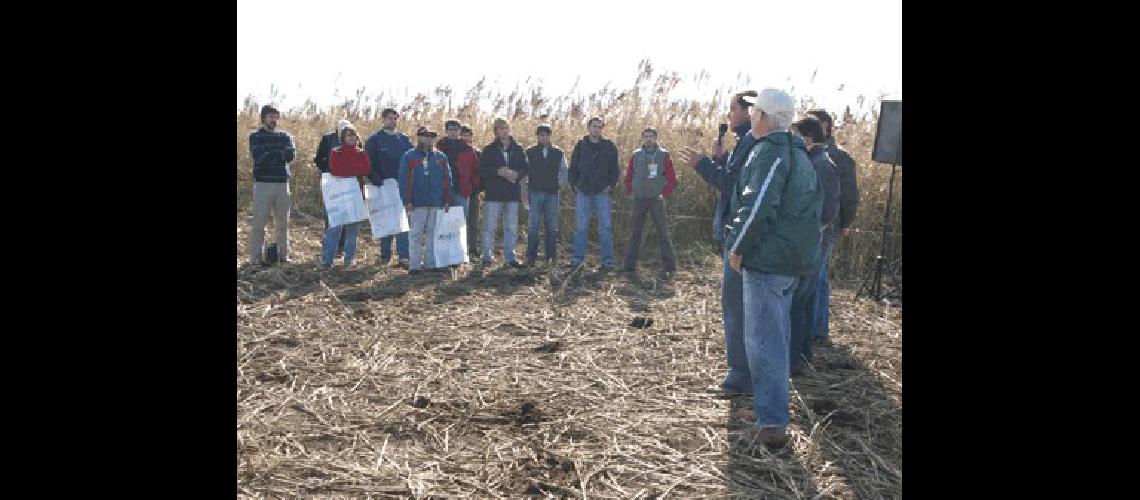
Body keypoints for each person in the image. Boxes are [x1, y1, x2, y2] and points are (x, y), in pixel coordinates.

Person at [725, 89, 820, 446]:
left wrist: (738, 248)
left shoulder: (771, 153)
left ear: (763, 117)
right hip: (790, 262)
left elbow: (759, 205)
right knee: (776, 338)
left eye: (755, 113)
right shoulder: (799, 153)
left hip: (767, 262)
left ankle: (772, 422)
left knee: (763, 342)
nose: (751, 118)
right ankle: (772, 413)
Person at [677, 90, 757, 396]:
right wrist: (720, 161)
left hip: (737, 233)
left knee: (735, 305)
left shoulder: (751, 141)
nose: (728, 115)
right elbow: (732, 178)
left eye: (732, 110)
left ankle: (740, 374)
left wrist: (702, 164)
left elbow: (731, 184)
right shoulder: (745, 142)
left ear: (749, 112)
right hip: (735, 230)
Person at [787, 115, 840, 374]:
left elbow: (828, 210)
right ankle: (801, 355)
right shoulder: (814, 160)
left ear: (807, 137)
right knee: (802, 301)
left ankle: (796, 359)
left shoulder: (821, 164)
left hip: (813, 242)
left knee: (800, 301)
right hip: (810, 240)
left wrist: (807, 231)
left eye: (796, 134)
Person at [805, 109, 860, 342]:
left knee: (817, 276)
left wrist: (846, 222)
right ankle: (815, 328)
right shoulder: (810, 153)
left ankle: (817, 329)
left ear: (826, 126)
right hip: (816, 224)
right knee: (817, 275)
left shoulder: (839, 157)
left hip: (828, 224)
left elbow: (850, 195)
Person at [621, 126, 677, 277]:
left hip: (656, 199)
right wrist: (629, 191)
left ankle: (669, 266)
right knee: (635, 233)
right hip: (639, 199)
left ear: (656, 138)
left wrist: (664, 194)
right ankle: (629, 267)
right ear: (642, 138)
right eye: (646, 136)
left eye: (651, 136)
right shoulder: (636, 155)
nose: (648, 139)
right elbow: (629, 175)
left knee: (663, 233)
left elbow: (672, 179)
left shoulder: (664, 155)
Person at [567, 116, 620, 271]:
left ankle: (607, 260)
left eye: (599, 127)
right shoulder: (581, 145)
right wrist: (575, 185)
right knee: (581, 227)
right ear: (588, 128)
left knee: (605, 227)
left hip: (602, 193)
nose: (596, 129)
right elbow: (573, 168)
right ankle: (577, 259)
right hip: (583, 192)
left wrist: (610, 186)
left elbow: (615, 169)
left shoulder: (609, 146)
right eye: (594, 126)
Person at [398, 126, 453, 274]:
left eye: (432, 136)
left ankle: (431, 263)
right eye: (425, 135)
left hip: (436, 201)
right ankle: (414, 265)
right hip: (417, 202)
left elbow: (448, 179)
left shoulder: (441, 157)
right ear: (419, 137)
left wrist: (447, 199)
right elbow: (403, 181)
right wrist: (407, 201)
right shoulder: (409, 156)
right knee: (415, 233)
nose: (429, 138)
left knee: (433, 233)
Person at [365, 108, 414, 268]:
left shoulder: (404, 139)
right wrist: (377, 180)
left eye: (395, 118)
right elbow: (368, 163)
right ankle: (385, 255)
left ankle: (403, 256)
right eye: (390, 118)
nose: (393, 121)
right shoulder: (374, 139)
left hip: (402, 186)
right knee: (386, 220)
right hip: (383, 186)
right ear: (383, 120)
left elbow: (412, 161)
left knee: (402, 221)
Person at [248, 104, 296, 266]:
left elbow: (290, 155)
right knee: (259, 224)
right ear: (263, 118)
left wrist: (271, 153)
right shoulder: (255, 136)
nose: (274, 120)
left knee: (282, 223)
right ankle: (255, 260)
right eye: (271, 117)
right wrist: (279, 154)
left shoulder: (285, 136)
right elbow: (259, 156)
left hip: (282, 184)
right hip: (263, 185)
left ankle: (283, 256)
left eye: (276, 117)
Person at [477, 118, 529, 268]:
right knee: (489, 227)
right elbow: (481, 170)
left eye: (506, 128)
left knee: (511, 227)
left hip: (512, 194)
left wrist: (516, 174)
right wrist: (497, 171)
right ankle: (486, 257)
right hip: (494, 194)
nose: (504, 131)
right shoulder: (488, 149)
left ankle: (510, 258)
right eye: (500, 128)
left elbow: (525, 168)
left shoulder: (518, 148)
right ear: (496, 131)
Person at [320, 122, 371, 269]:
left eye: (354, 134)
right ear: (343, 137)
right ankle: (327, 261)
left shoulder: (362, 152)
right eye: (348, 135)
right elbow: (336, 170)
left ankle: (349, 260)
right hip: (339, 195)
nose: (351, 137)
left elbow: (366, 168)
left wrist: (349, 169)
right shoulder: (336, 152)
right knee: (334, 228)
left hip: (357, 195)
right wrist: (355, 169)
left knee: (352, 230)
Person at [523, 124, 567, 267]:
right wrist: (524, 191)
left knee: (552, 227)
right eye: (541, 135)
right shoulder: (530, 152)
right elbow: (524, 173)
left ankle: (550, 258)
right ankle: (531, 257)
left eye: (546, 135)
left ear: (550, 136)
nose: (544, 137)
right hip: (535, 193)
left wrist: (558, 184)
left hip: (552, 194)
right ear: (537, 136)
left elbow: (565, 171)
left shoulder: (558, 152)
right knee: (533, 227)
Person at [313, 119, 351, 256]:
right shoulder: (328, 139)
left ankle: (341, 247)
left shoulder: (354, 137)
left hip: (348, 182)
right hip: (331, 181)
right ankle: (330, 246)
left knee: (346, 215)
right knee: (331, 214)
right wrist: (328, 172)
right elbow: (318, 159)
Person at [437, 119, 480, 224]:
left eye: (456, 129)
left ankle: (460, 241)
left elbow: (476, 169)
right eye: (450, 129)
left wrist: (472, 185)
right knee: (441, 223)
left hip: (461, 190)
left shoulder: (468, 149)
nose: (453, 132)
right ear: (446, 131)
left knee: (460, 223)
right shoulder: (439, 147)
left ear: (460, 131)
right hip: (442, 191)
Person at [460, 125, 482, 260]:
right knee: (459, 222)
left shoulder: (478, 153)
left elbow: (481, 172)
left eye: (468, 135)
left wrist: (478, 187)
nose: (466, 137)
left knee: (473, 222)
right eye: (463, 135)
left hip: (473, 193)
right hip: (459, 192)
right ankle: (460, 249)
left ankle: (473, 249)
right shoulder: (455, 151)